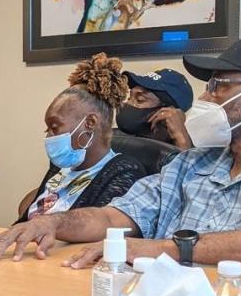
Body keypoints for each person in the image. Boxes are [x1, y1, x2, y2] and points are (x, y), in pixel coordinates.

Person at [0, 34, 241, 271]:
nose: (205, 97)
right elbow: (114, 216)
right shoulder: (193, 163)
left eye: (217, 85)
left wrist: (168, 250)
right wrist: (53, 223)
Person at [17, 53, 147, 222]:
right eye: (47, 129)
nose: (49, 136)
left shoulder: (124, 171)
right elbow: (25, 221)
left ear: (90, 123)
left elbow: (96, 233)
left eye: (55, 127)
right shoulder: (60, 168)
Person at [116, 67, 194, 148]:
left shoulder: (193, 154)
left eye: (140, 100)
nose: (127, 104)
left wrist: (181, 139)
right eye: (129, 97)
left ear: (169, 112)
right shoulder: (114, 139)